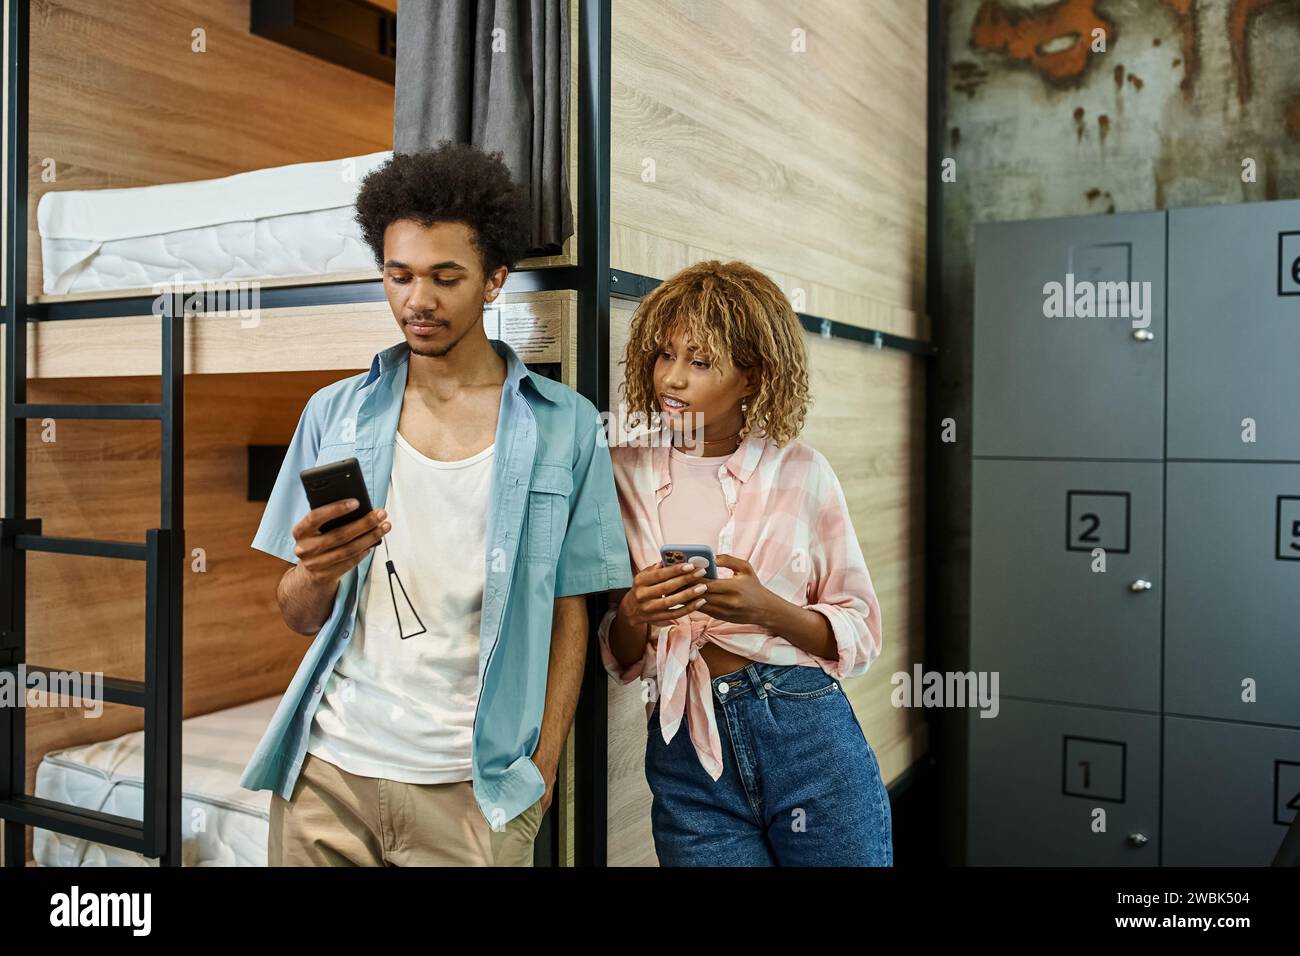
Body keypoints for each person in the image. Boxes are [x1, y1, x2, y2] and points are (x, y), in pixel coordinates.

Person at [240, 142, 631, 866]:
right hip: (327, 776)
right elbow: (296, 612)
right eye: (399, 276)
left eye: (446, 277)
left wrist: (540, 771)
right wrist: (316, 570)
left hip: (471, 793)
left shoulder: (565, 425)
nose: (417, 300)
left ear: (495, 281)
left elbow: (571, 610)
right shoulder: (333, 414)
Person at [598, 259, 893, 866]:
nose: (672, 379)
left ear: (752, 378)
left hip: (805, 732)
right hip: (684, 752)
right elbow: (621, 656)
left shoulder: (802, 471)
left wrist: (771, 611)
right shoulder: (620, 470)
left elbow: (860, 633)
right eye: (664, 355)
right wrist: (634, 610)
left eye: (700, 362)